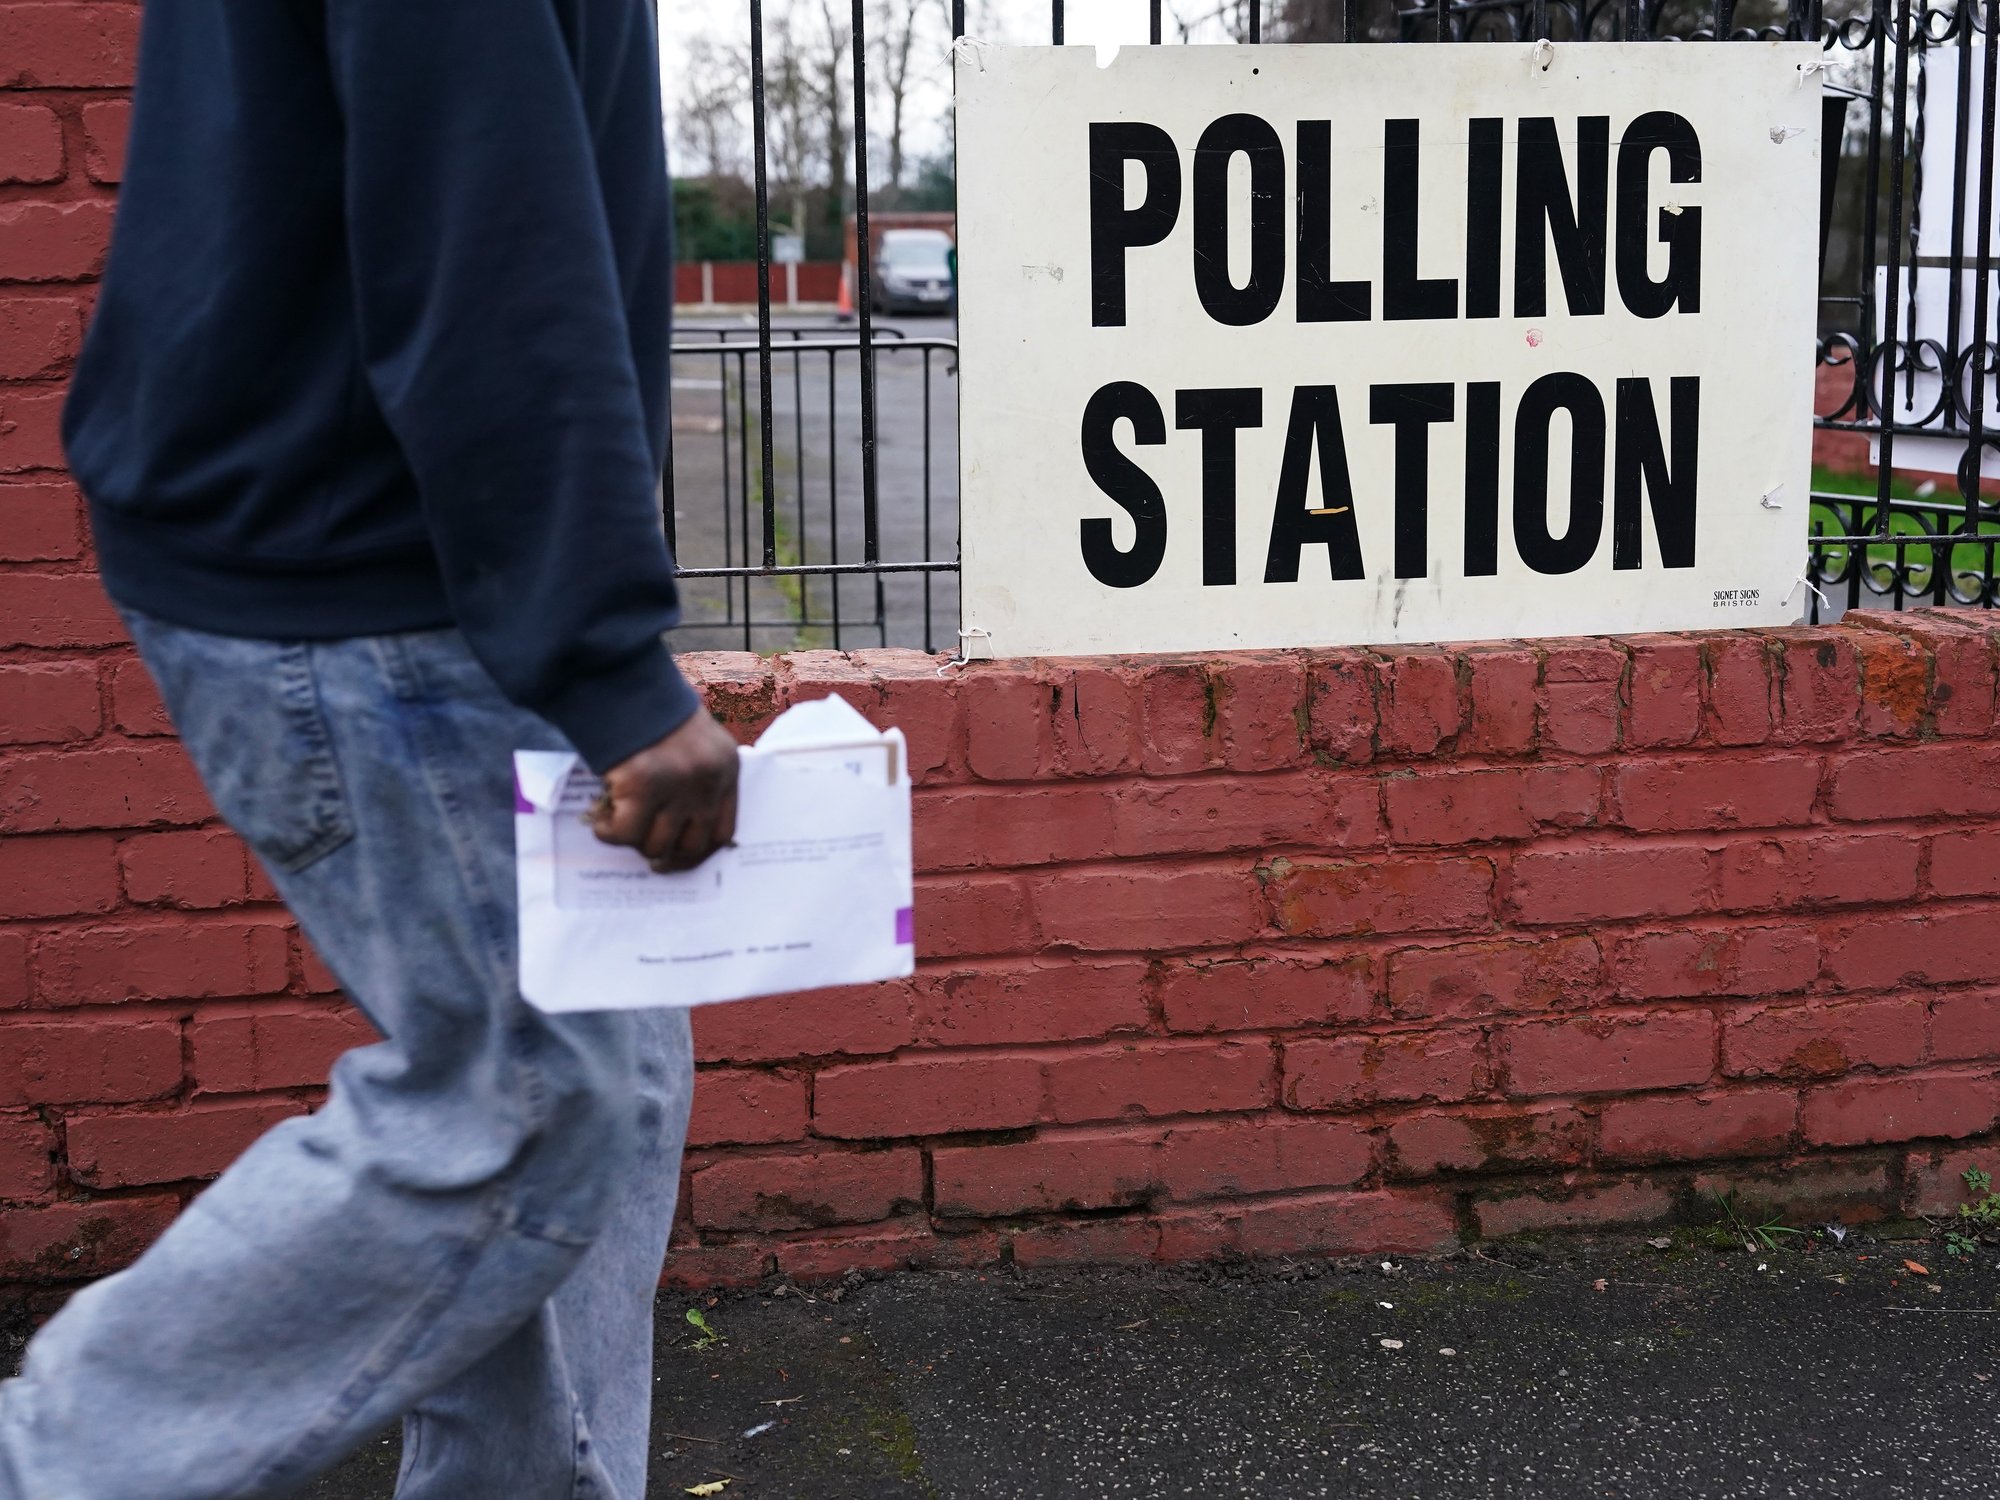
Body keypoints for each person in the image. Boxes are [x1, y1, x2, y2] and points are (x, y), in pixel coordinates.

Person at [0, 3, 736, 1496]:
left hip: (418, 555)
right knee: (531, 1097)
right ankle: (61, 1462)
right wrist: (603, 656)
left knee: (614, 1065)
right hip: (365, 566)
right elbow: (485, 229)